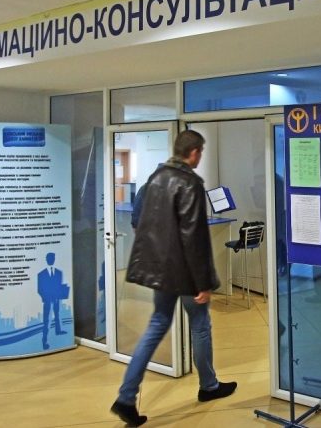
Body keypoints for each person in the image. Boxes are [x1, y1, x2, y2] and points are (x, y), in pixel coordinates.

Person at [111, 130, 236, 427]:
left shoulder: (154, 180)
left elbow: (141, 223)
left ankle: (126, 397)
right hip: (186, 273)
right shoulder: (190, 183)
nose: (200, 157)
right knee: (201, 325)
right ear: (194, 152)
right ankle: (209, 386)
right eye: (200, 152)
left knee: (156, 325)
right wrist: (202, 283)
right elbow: (193, 237)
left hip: (161, 271)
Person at [37, 252, 68, 350]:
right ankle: (44, 340)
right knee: (46, 320)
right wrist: (46, 298)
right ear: (46, 259)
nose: (51, 259)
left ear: (54, 259)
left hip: (56, 299)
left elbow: (59, 286)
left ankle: (58, 331)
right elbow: (40, 289)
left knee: (57, 315)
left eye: (53, 258)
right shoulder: (41, 274)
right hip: (47, 300)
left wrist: (61, 293)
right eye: (50, 258)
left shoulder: (59, 273)